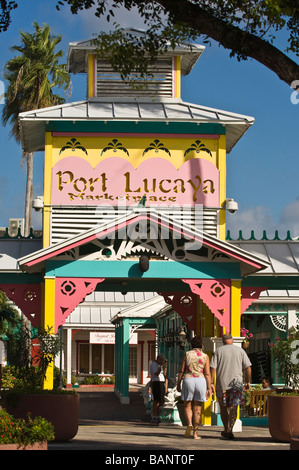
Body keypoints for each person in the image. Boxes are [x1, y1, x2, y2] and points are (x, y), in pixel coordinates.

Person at [210, 333, 252, 440]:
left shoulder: (218, 351)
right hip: (236, 384)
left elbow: (213, 369)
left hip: (222, 384)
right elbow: (248, 367)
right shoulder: (240, 351)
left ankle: (225, 428)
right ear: (232, 341)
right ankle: (230, 429)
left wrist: (210, 383)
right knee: (234, 406)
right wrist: (248, 381)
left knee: (223, 407)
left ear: (223, 341)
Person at [177, 335, 211, 439]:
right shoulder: (205, 356)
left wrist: (178, 384)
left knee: (187, 405)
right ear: (201, 345)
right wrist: (209, 387)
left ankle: (189, 424)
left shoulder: (187, 354)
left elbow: (182, 370)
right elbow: (207, 373)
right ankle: (196, 433)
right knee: (197, 407)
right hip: (200, 380)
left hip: (188, 379)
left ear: (191, 345)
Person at [149, 352, 168, 425]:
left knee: (161, 400)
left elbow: (164, 374)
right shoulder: (154, 364)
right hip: (156, 382)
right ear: (158, 358)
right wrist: (160, 367)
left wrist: (165, 367)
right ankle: (155, 416)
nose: (162, 361)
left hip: (161, 382)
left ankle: (159, 416)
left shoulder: (160, 365)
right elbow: (156, 374)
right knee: (156, 400)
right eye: (162, 360)